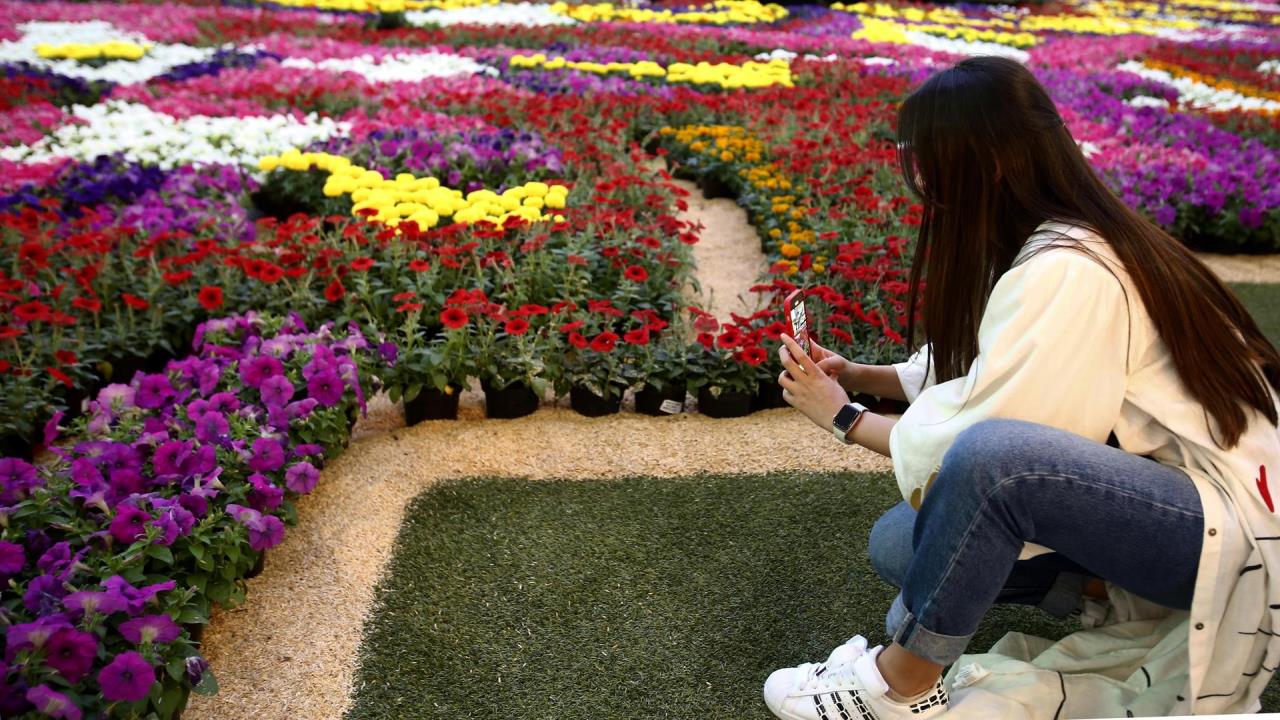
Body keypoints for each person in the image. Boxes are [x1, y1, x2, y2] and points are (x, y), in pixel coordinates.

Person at [764, 55, 1280, 720]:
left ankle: (900, 687)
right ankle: (1115, 592)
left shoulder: (1070, 267)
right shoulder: (1075, 239)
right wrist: (863, 376)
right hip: (1211, 507)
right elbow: (1000, 364)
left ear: (990, 163)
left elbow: (1005, 443)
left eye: (927, 157)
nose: (919, 176)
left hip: (1239, 531)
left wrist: (844, 417)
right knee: (904, 539)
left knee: (995, 466)